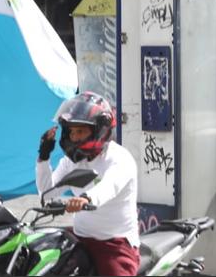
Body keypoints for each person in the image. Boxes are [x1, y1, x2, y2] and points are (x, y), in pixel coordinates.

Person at [36, 92, 140, 276]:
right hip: (80, 237)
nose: (74, 137)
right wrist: (43, 157)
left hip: (113, 244)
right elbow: (47, 192)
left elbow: (110, 186)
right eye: (72, 132)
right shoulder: (73, 161)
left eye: (81, 131)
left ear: (99, 130)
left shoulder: (119, 158)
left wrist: (86, 198)